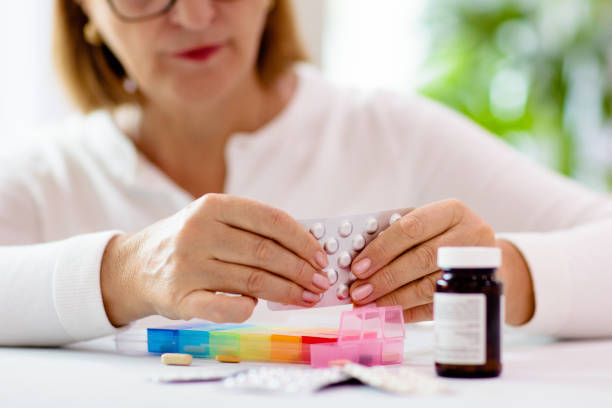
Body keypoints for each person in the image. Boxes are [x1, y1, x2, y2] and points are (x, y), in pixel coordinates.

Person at [1, 0, 611, 346]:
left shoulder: (392, 132)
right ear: (83, 11)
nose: (191, 14)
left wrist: (499, 272)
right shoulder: (46, 173)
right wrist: (119, 274)